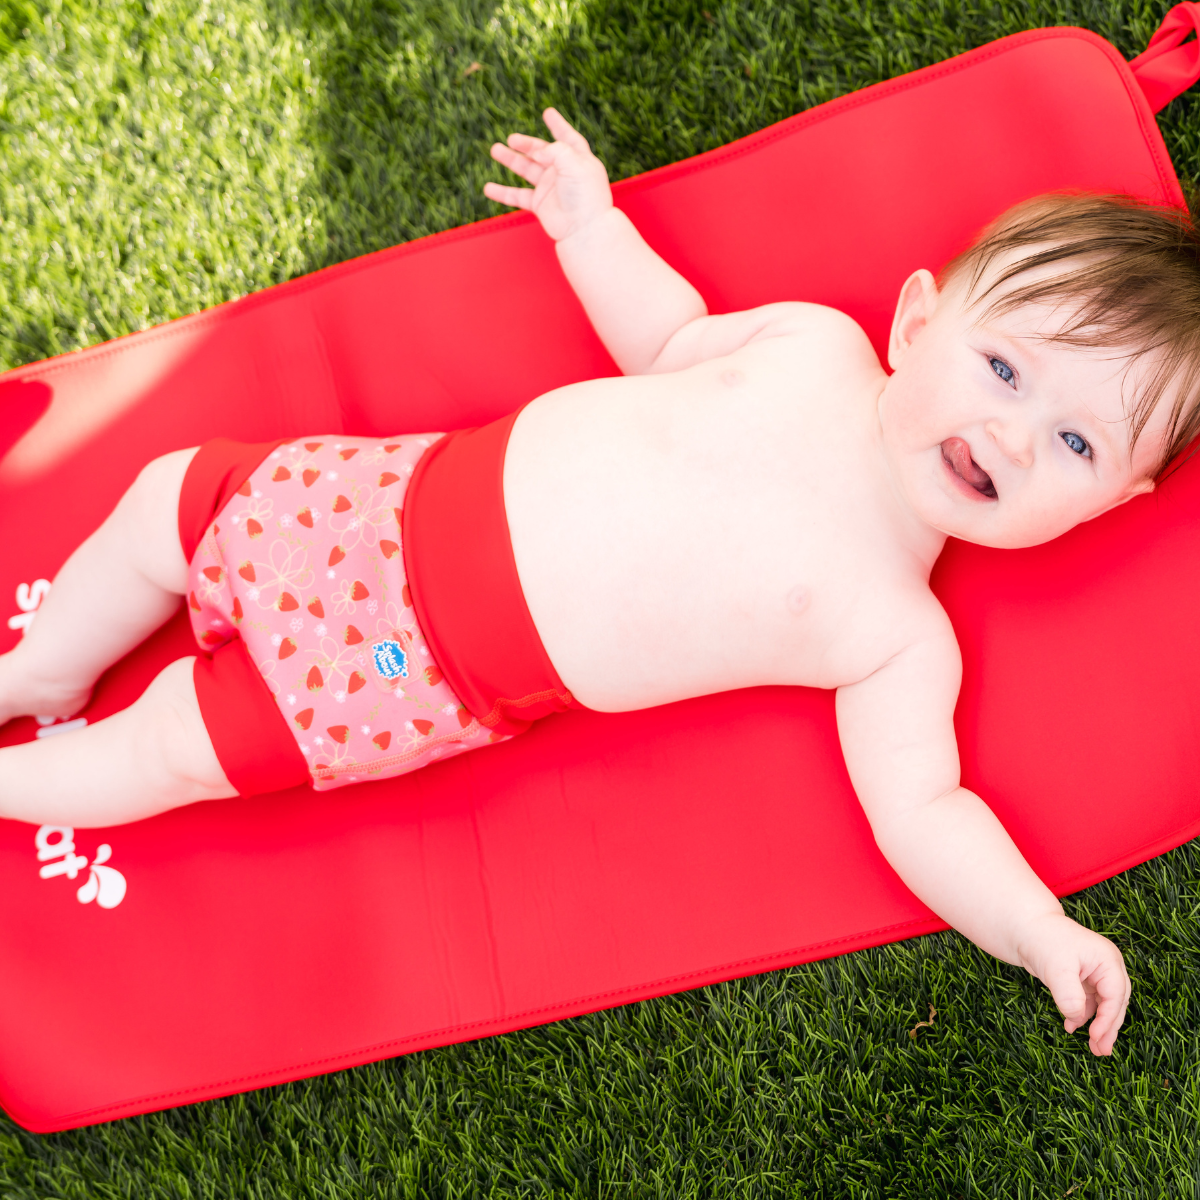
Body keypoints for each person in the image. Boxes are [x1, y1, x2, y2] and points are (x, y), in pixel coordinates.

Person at [3, 110, 1200, 1057]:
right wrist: (590, 227)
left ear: (1111, 506)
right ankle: (43, 666)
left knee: (174, 746)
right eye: (1003, 367)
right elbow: (670, 343)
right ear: (914, 319)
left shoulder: (897, 632)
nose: (1012, 435)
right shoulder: (813, 347)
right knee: (174, 498)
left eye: (1081, 447)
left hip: (403, 668)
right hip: (373, 497)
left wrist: (1039, 929)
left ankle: (17, 780)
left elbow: (925, 813)